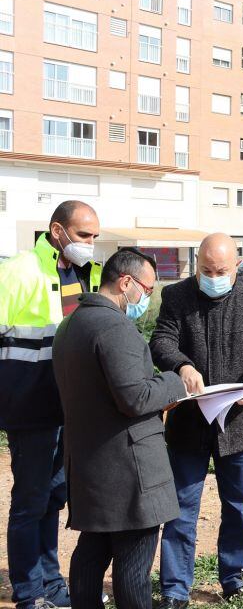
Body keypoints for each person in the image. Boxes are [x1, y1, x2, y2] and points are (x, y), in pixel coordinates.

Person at [150, 233, 243, 607]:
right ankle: (176, 589)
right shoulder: (176, 296)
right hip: (189, 424)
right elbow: (161, 341)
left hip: (241, 424)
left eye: (221, 270)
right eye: (206, 270)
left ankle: (235, 579)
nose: (213, 276)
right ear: (196, 266)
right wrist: (183, 365)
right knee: (180, 508)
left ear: (237, 266)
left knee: (238, 506)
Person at [51, 249, 187, 609]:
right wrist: (175, 383)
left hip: (90, 464)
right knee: (132, 565)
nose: (147, 298)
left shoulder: (72, 323)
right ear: (125, 282)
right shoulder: (114, 327)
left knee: (91, 555)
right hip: (129, 472)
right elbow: (136, 397)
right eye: (147, 289)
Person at [0, 201, 101, 609]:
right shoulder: (20, 271)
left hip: (68, 408)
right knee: (30, 501)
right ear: (57, 231)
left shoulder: (85, 273)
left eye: (94, 236)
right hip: (30, 408)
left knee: (54, 498)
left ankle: (50, 583)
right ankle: (28, 593)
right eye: (83, 236)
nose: (90, 244)